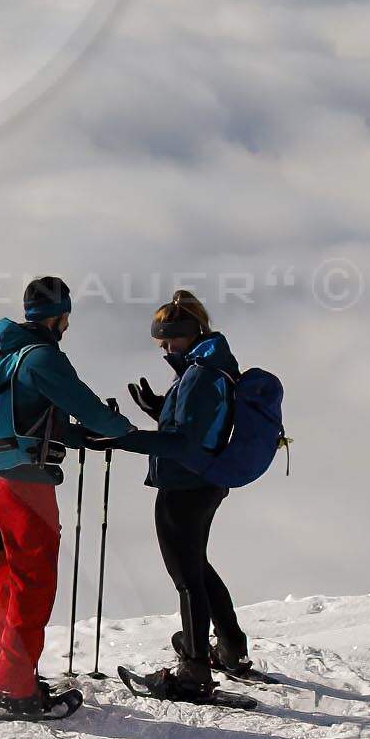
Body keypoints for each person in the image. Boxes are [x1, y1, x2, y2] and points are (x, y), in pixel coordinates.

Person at [0, 275, 150, 716]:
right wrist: (124, 431)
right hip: (29, 485)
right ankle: (16, 688)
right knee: (33, 581)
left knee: (11, 576)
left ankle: (1, 675)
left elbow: (42, 419)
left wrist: (73, 436)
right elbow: (90, 408)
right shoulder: (42, 357)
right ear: (62, 317)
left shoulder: (5, 353)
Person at [118, 290, 258, 698]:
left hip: (186, 485)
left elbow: (185, 442)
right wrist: (158, 409)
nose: (164, 346)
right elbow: (197, 425)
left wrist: (125, 438)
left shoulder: (201, 372)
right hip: (205, 481)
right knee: (196, 566)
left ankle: (194, 671)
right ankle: (230, 648)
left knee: (186, 578)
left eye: (170, 338)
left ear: (192, 332)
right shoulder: (211, 365)